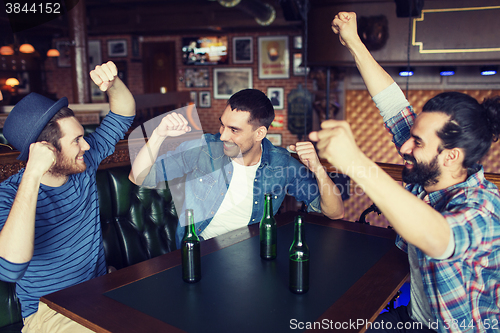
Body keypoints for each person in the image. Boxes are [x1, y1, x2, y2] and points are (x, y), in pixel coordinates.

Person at [310, 12, 500, 333]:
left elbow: (437, 237)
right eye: (410, 136)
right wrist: (354, 42)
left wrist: (356, 162)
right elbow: (394, 105)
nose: (403, 147)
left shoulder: (486, 208)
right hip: (415, 321)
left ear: (452, 156)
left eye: (417, 142)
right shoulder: (427, 172)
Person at [0, 61, 135, 332]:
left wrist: (113, 83)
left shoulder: (82, 164)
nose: (87, 144)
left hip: (101, 293)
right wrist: (32, 175)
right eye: (76, 140)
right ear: (46, 151)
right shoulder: (8, 196)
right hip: (51, 312)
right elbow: (10, 268)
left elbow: (123, 114)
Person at [129, 88, 344, 247]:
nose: (223, 135)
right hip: (200, 251)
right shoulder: (203, 148)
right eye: (223, 124)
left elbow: (335, 213)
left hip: (254, 253)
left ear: (259, 133)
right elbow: (138, 177)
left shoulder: (281, 163)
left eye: (234, 130)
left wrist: (317, 168)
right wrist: (158, 134)